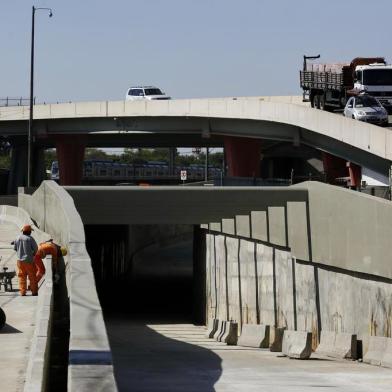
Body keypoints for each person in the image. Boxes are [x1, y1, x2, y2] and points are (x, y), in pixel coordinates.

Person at [13, 224, 38, 296]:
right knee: (32, 276)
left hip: (20, 261)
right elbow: (36, 249)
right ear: (29, 231)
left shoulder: (17, 238)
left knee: (21, 277)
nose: (31, 232)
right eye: (30, 231)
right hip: (29, 261)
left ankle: (22, 292)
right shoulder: (30, 239)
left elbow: (15, 248)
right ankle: (34, 292)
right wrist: (32, 254)